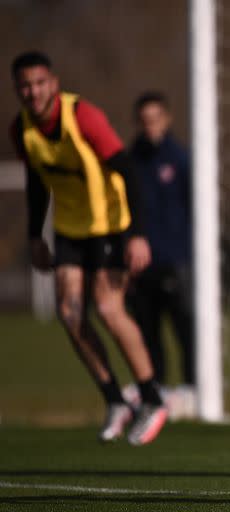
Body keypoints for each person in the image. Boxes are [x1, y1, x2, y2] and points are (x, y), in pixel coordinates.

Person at [9, 51, 167, 445]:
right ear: (18, 90)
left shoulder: (83, 117)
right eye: (25, 85)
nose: (33, 91)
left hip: (110, 225)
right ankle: (115, 399)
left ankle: (152, 398)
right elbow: (35, 184)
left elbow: (128, 171)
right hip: (69, 228)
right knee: (68, 312)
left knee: (110, 310)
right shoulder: (21, 129)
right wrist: (34, 237)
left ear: (54, 83)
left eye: (39, 82)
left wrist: (137, 233)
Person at [127, 91, 196, 418]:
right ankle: (156, 388)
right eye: (145, 120)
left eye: (155, 119)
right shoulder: (131, 161)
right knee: (147, 329)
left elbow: (195, 208)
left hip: (177, 259)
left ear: (166, 119)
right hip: (142, 264)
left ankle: (192, 387)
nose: (150, 126)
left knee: (185, 326)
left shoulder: (181, 159)